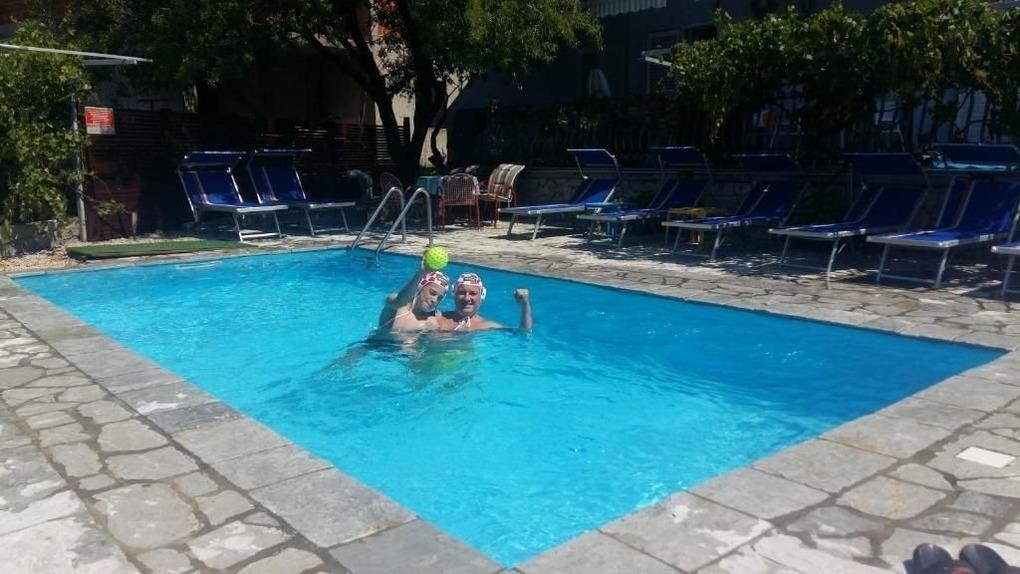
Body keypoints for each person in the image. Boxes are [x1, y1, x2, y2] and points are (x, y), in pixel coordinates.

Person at [439, 272, 532, 332]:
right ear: (454, 294)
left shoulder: (486, 326)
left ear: (481, 296)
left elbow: (524, 334)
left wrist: (525, 305)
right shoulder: (438, 318)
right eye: (462, 293)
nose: (467, 298)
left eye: (472, 293)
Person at [378, 267, 450, 332]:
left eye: (439, 298)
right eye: (432, 293)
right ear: (420, 287)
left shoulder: (431, 323)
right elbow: (399, 303)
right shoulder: (395, 303)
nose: (434, 300)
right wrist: (420, 273)